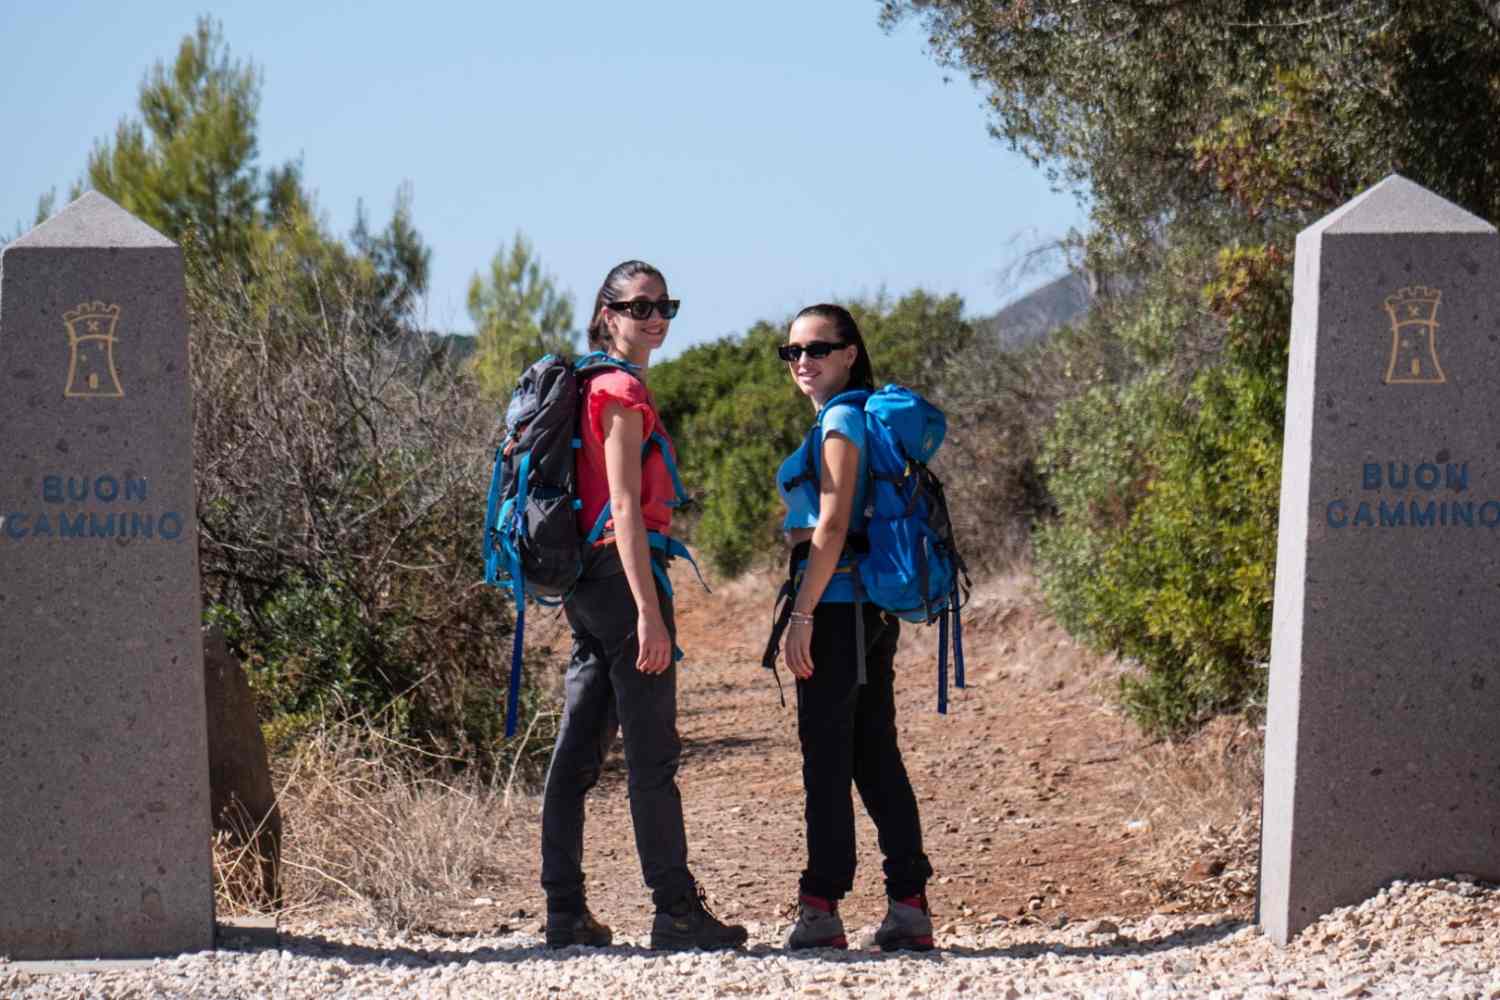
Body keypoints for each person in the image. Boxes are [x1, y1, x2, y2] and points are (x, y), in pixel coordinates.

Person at [539, 260, 748, 952]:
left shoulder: (589, 382)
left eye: (665, 306)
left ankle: (565, 909)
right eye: (639, 307)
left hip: (586, 581)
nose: (655, 318)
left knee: (578, 751)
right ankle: (677, 912)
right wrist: (649, 613)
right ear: (608, 314)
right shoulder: (622, 390)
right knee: (652, 754)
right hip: (624, 577)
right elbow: (625, 506)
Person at [773, 304, 935, 952]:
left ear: (849, 353)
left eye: (817, 348)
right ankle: (909, 906)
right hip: (868, 611)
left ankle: (821, 908)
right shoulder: (852, 414)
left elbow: (834, 524)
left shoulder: (841, 420)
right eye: (792, 351)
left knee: (827, 760)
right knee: (874, 755)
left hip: (837, 609)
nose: (803, 361)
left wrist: (802, 615)